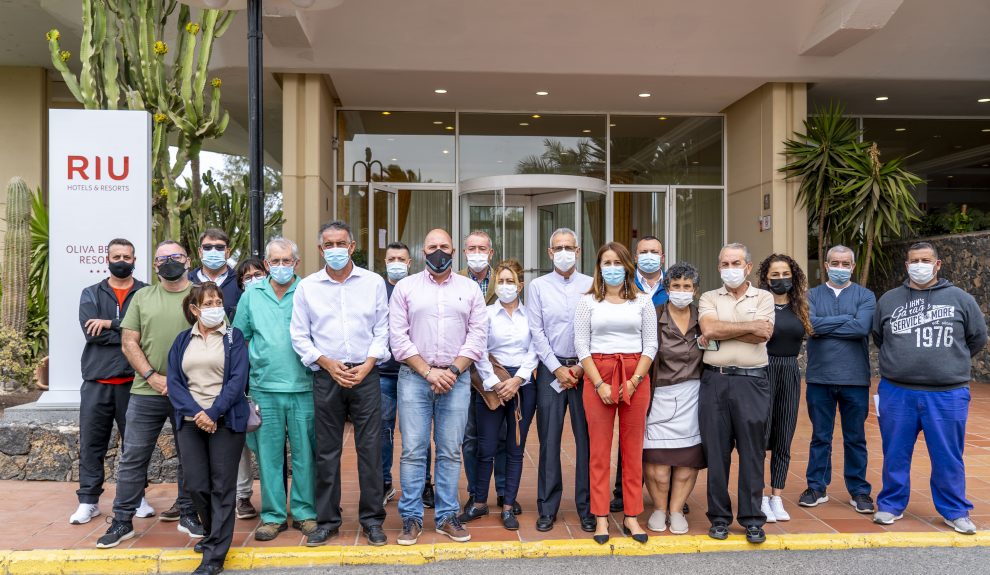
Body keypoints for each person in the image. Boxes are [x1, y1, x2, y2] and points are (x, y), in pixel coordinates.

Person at [872, 242, 987, 534]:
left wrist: (946, 364)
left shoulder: (961, 299)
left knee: (948, 455)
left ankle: (954, 510)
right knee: (895, 452)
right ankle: (891, 505)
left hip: (947, 393)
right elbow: (879, 337)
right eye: (914, 260)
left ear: (937, 265)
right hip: (897, 391)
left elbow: (976, 338)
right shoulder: (889, 299)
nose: (919, 265)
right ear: (906, 265)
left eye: (925, 260)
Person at [97, 240, 204, 549]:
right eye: (163, 258)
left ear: (187, 260)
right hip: (146, 391)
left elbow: (215, 339)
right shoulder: (142, 297)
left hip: (191, 392)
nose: (169, 262)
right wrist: (152, 376)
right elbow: (129, 341)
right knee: (133, 457)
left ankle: (188, 513)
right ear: (155, 265)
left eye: (176, 256)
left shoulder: (200, 294)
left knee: (191, 457)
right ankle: (122, 520)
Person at [290, 221, 389, 546]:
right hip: (326, 375)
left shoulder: (373, 282)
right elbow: (299, 335)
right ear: (321, 250)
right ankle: (328, 520)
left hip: (366, 374)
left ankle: (373, 520)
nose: (335, 249)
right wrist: (326, 363)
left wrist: (368, 364)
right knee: (327, 452)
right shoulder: (308, 287)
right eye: (328, 244)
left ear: (352, 246)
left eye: (341, 243)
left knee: (370, 450)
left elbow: (382, 330)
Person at [389, 228, 488, 545]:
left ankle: (447, 516)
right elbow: (398, 338)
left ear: (454, 252)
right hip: (414, 379)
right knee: (413, 451)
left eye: (444, 246)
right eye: (432, 246)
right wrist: (429, 371)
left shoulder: (470, 290)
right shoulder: (405, 288)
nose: (438, 251)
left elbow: (477, 336)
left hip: (456, 380)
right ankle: (411, 518)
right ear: (422, 252)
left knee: (449, 451)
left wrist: (454, 369)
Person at [232, 238, 318, 541]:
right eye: (275, 261)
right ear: (266, 264)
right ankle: (272, 515)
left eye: (287, 261)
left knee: (305, 454)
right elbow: (240, 339)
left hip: (303, 386)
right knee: (268, 456)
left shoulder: (309, 290)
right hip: (263, 388)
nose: (281, 266)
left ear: (296, 263)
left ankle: (305, 512)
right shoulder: (252, 294)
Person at [574, 242, 657, 545]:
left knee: (632, 449)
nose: (611, 267)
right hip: (599, 373)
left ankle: (632, 515)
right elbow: (582, 345)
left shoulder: (643, 302)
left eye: (616, 262)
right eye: (606, 262)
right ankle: (599, 517)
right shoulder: (588, 303)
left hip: (636, 373)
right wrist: (599, 384)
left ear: (626, 266)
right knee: (599, 451)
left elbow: (651, 345)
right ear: (599, 268)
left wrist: (634, 381)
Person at [167, 282, 250, 575]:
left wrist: (213, 412)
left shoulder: (233, 338)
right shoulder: (181, 341)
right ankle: (213, 534)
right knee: (196, 484)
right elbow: (174, 383)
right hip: (190, 423)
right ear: (194, 309)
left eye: (218, 302)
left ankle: (214, 556)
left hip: (226, 421)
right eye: (208, 303)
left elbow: (237, 381)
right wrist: (197, 413)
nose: (215, 307)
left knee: (222, 487)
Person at [71, 238, 152, 525]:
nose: (122, 260)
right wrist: (127, 332)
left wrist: (109, 323)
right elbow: (91, 332)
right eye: (116, 255)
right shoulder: (91, 293)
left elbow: (147, 331)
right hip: (97, 382)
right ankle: (88, 501)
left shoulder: (146, 292)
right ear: (107, 259)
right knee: (93, 444)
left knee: (136, 446)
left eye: (126, 256)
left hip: (134, 383)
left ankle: (138, 497)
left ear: (134, 259)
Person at [697, 242, 775, 544]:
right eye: (725, 264)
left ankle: (753, 519)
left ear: (748, 267)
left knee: (752, 453)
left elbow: (764, 333)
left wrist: (724, 327)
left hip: (752, 383)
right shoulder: (707, 297)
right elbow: (709, 330)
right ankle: (719, 518)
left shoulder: (764, 297)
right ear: (719, 267)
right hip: (715, 382)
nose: (730, 269)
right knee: (716, 454)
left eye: (735, 263)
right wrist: (747, 328)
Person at [458, 259, 538, 530]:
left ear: (520, 285)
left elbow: (536, 348)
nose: (505, 286)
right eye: (501, 281)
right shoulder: (487, 314)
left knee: (515, 448)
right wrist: (494, 382)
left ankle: (507, 506)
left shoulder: (531, 316)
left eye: (510, 281)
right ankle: (479, 502)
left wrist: (518, 379)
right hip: (490, 382)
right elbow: (478, 349)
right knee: (486, 446)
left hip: (522, 385)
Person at [527, 227, 595, 534]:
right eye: (558, 247)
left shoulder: (593, 285)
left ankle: (587, 507)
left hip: (586, 372)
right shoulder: (538, 286)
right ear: (549, 253)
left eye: (570, 246)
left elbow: (597, 329)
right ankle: (548, 508)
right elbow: (536, 331)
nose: (564, 252)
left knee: (587, 442)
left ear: (578, 252)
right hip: (551, 372)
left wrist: (581, 366)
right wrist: (556, 369)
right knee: (549, 441)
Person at [802, 245, 876, 514]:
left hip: (855, 379)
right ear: (826, 264)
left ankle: (859, 491)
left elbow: (862, 327)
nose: (840, 268)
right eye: (835, 263)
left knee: (855, 437)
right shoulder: (810, 295)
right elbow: (810, 326)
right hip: (819, 378)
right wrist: (847, 319)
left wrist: (827, 324)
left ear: (853, 267)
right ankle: (817, 487)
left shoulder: (865, 296)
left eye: (846, 264)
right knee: (820, 436)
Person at [643, 262, 706, 536]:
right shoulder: (654, 316)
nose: (681, 291)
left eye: (687, 286)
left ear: (695, 290)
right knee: (657, 461)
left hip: (693, 395)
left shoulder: (703, 318)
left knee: (687, 459)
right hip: (660, 396)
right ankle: (659, 508)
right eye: (676, 286)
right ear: (667, 289)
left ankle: (677, 510)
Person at [613, 235, 672, 513]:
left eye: (654, 252)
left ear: (662, 257)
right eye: (643, 252)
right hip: (630, 366)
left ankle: (667, 491)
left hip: (669, 368)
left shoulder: (675, 287)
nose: (649, 256)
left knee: (666, 429)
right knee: (628, 431)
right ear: (635, 258)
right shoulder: (623, 286)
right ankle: (621, 491)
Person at [459, 231, 513, 515]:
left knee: (502, 434)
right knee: (470, 437)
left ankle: (505, 493)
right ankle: (475, 492)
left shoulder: (503, 281)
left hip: (496, 369)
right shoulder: (453, 279)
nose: (477, 252)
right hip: (463, 370)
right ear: (464, 252)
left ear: (491, 253)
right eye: (472, 248)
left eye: (482, 248)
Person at [757, 254, 812, 523]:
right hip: (763, 370)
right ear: (766, 279)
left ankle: (776, 496)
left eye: (785, 274)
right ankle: (758, 496)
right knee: (759, 436)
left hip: (790, 371)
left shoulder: (800, 305)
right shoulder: (759, 304)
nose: (781, 279)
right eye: (775, 275)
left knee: (784, 434)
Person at [380, 243, 435, 509]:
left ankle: (425, 484)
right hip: (384, 374)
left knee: (419, 433)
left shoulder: (417, 288)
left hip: (416, 373)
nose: (396, 262)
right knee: (383, 430)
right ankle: (383, 483)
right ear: (385, 261)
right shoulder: (378, 290)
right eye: (392, 258)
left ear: (410, 262)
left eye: (401, 258)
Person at [188, 229, 242, 318]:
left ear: (227, 252)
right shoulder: (188, 280)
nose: (213, 251)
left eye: (219, 247)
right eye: (207, 247)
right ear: (200, 252)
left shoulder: (240, 281)